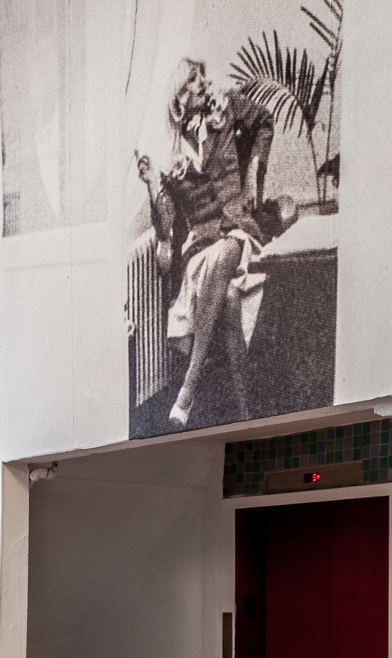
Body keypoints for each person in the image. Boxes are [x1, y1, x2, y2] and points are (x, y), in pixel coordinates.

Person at [136, 59, 273, 430]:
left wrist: (252, 172)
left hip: (237, 232)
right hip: (200, 247)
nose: (201, 83)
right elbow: (165, 226)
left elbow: (264, 120)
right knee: (226, 295)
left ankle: (189, 387)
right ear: (179, 96)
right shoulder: (170, 153)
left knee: (230, 248)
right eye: (192, 80)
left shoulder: (226, 107)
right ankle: (243, 415)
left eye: (201, 77)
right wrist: (152, 185)